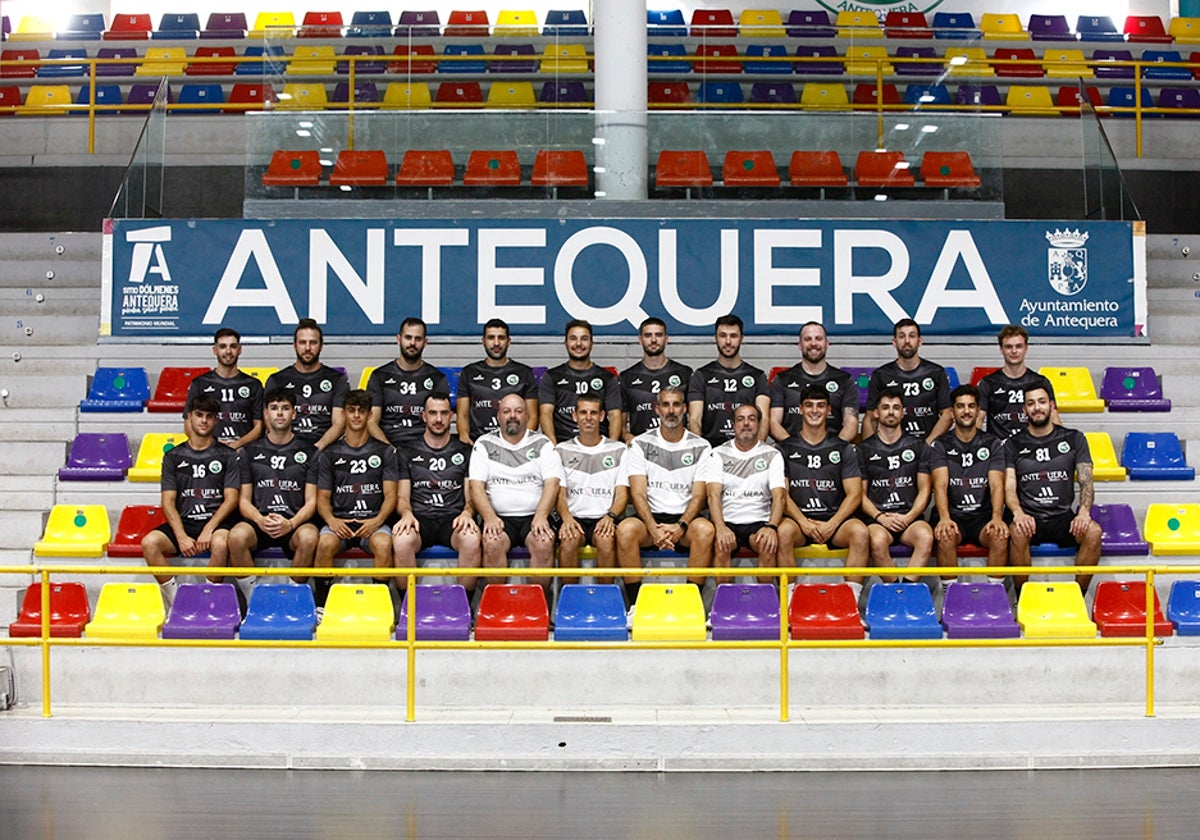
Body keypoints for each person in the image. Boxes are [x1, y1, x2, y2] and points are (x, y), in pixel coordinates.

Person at [616, 386, 716, 601]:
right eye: (666, 404)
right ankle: (635, 603)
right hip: (650, 521)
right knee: (624, 530)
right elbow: (638, 493)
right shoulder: (640, 444)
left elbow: (699, 496)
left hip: (685, 522)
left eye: (676, 404)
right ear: (657, 409)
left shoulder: (701, 446)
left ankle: (692, 602)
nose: (671, 410)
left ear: (685, 409)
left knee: (706, 530)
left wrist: (680, 526)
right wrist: (652, 528)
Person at [140, 393, 240, 605]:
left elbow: (231, 499)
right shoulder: (173, 456)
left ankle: (208, 601)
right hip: (185, 523)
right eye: (199, 415)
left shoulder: (228, 455)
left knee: (221, 544)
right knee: (149, 543)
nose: (204, 420)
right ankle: (178, 603)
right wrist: (181, 536)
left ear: (216, 420)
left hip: (217, 523)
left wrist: (209, 529)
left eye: (209, 416)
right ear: (189, 418)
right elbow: (167, 501)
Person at [1004, 385, 1101, 591]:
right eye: (1030, 403)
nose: (1036, 408)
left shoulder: (1074, 438)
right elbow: (1009, 486)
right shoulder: (1013, 444)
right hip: (1030, 516)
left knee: (1093, 532)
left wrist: (1083, 513)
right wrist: (1018, 513)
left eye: (1041, 402)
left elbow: (1086, 480)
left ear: (1051, 405)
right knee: (1017, 531)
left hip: (1061, 516)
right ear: (1024, 410)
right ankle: (1024, 600)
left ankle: (1076, 597)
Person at [776, 386, 871, 594]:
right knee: (782, 532)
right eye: (809, 405)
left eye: (820, 405)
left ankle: (850, 602)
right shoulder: (784, 448)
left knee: (860, 532)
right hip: (798, 521)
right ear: (800, 409)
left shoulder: (844, 448)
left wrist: (832, 524)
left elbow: (855, 493)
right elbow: (781, 494)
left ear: (829, 410)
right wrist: (802, 522)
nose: (814, 410)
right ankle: (790, 600)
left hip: (834, 521)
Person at [226, 387, 320, 595]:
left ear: (294, 413)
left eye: (285, 408)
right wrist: (259, 520)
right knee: (236, 537)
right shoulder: (249, 451)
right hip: (259, 521)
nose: (280, 413)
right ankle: (254, 602)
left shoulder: (310, 451)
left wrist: (291, 523)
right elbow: (243, 501)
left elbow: (312, 501)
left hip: (293, 522)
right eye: (274, 408)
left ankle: (293, 598)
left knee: (310, 537)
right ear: (266, 413)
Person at [469, 393, 563, 591]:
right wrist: (489, 518)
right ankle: (498, 606)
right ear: (498, 416)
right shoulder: (483, 444)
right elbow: (476, 487)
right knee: (492, 541)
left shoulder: (543, 443)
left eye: (518, 411)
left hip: (534, 517)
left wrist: (541, 515)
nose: (513, 415)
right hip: (499, 517)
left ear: (527, 416)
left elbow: (552, 484)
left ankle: (539, 606)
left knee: (544, 542)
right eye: (507, 411)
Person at [313, 389, 399, 603]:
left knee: (383, 544)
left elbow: (391, 496)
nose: (357, 416)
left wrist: (376, 521)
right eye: (351, 411)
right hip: (340, 521)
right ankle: (323, 604)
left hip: (372, 521)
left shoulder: (384, 451)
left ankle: (380, 604)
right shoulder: (330, 453)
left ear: (370, 415)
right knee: (323, 544)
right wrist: (332, 520)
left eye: (362, 411)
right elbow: (322, 498)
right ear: (343, 414)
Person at [392, 392, 480, 595]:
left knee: (472, 539)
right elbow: (402, 497)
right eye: (433, 413)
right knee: (401, 540)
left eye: (443, 413)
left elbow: (471, 497)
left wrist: (467, 513)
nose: (438, 419)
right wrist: (406, 513)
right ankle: (408, 607)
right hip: (419, 519)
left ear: (452, 417)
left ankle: (463, 606)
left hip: (453, 518)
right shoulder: (406, 451)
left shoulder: (465, 451)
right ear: (424, 416)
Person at [930, 385, 1009, 580]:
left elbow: (997, 484)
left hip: (983, 516)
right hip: (953, 514)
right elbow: (940, 485)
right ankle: (950, 597)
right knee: (946, 534)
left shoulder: (992, 443)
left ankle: (994, 595)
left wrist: (997, 517)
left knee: (999, 535)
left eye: (971, 406)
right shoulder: (941, 444)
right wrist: (945, 518)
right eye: (961, 406)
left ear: (978, 410)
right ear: (952, 412)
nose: (966, 411)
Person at [700, 403, 786, 582]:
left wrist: (771, 527)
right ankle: (725, 602)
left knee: (767, 543)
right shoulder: (718, 454)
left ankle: (765, 603)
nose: (746, 423)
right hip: (729, 520)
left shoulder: (772, 455)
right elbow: (713, 495)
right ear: (733, 425)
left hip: (759, 521)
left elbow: (779, 496)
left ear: (760, 424)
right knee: (721, 543)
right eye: (740, 419)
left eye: (751, 419)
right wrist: (721, 527)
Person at [857, 387, 934, 585]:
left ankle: (907, 590)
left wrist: (908, 517)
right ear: (876, 412)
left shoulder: (918, 446)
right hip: (878, 519)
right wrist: (880, 517)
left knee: (925, 536)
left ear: (903, 412)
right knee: (876, 540)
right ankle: (893, 591)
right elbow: (860, 494)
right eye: (885, 407)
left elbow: (925, 489)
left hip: (909, 518)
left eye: (895, 407)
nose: (890, 412)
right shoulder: (863, 449)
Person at [555, 394, 629, 574]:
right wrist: (566, 519)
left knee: (605, 540)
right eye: (583, 413)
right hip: (574, 517)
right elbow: (559, 494)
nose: (588, 418)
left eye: (593, 413)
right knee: (569, 539)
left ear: (602, 416)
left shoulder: (619, 450)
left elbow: (622, 494)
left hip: (605, 517)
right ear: (575, 416)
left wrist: (610, 517)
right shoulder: (561, 450)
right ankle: (569, 599)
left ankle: (607, 598)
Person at [862, 318, 952, 444]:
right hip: (893, 449)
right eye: (902, 336)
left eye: (912, 336)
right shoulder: (881, 375)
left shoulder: (936, 372)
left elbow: (947, 414)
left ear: (920, 341)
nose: (907, 341)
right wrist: (870, 451)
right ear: (894, 342)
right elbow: (870, 418)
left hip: (928, 446)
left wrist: (927, 445)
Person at [265, 318, 349, 450]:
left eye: (313, 343)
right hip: (287, 450)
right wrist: (287, 447)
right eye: (303, 342)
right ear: (294, 345)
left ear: (321, 346)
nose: (308, 348)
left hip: (324, 450)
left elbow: (339, 423)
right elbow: (269, 419)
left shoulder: (337, 379)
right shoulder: (278, 379)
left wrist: (317, 448)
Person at [686, 314, 769, 448]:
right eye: (723, 336)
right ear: (716, 338)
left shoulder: (758, 376)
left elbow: (764, 419)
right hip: (712, 451)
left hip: (746, 450)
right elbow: (694, 420)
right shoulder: (701, 375)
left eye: (733, 336)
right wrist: (703, 451)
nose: (728, 341)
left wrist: (754, 452)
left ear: (741, 338)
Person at [366, 316, 449, 448]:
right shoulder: (379, 376)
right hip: (387, 446)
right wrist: (389, 449)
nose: (412, 343)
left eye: (418, 339)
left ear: (425, 342)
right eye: (408, 337)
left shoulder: (437, 378)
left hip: (423, 449)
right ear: (399, 339)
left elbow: (441, 423)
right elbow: (371, 422)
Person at [769, 321, 858, 442]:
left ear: (827, 344)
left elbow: (851, 423)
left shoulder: (844, 380)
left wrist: (836, 448)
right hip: (792, 453)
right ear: (800, 345)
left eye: (818, 338)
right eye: (808, 339)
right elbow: (774, 422)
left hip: (832, 454)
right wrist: (792, 447)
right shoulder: (782, 380)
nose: (813, 343)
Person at [538, 319, 622, 444]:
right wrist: (554, 449)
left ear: (592, 343)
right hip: (563, 445)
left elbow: (615, 415)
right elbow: (546, 414)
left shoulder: (607, 378)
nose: (578, 343)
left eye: (584, 338)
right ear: (565, 343)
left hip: (597, 446)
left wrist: (610, 448)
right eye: (573, 338)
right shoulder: (551, 377)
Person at [456, 318, 538, 445]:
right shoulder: (469, 372)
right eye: (491, 338)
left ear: (508, 341)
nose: (496, 343)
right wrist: (464, 436)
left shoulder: (524, 373)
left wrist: (522, 443)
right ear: (483, 341)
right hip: (478, 443)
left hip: (514, 443)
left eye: (501, 338)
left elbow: (532, 416)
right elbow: (462, 415)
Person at [184, 326, 263, 449]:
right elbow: (188, 423)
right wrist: (210, 447)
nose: (228, 351)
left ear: (240, 349)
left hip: (243, 453)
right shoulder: (200, 383)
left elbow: (259, 426)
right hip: (210, 453)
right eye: (222, 346)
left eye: (233, 346)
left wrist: (237, 444)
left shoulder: (253, 385)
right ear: (215, 350)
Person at [977, 324, 1061, 439]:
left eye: (1019, 346)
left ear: (1026, 348)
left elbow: (1053, 416)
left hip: (1032, 450)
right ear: (1001, 349)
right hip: (999, 451)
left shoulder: (1040, 382)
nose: (1014, 351)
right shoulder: (988, 383)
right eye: (1008, 347)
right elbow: (978, 420)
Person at [618, 317, 693, 443]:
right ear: (640, 340)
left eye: (658, 335)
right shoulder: (627, 377)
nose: (653, 340)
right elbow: (620, 423)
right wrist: (627, 436)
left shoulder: (684, 373)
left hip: (676, 446)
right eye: (648, 335)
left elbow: (694, 418)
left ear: (666, 339)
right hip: (642, 448)